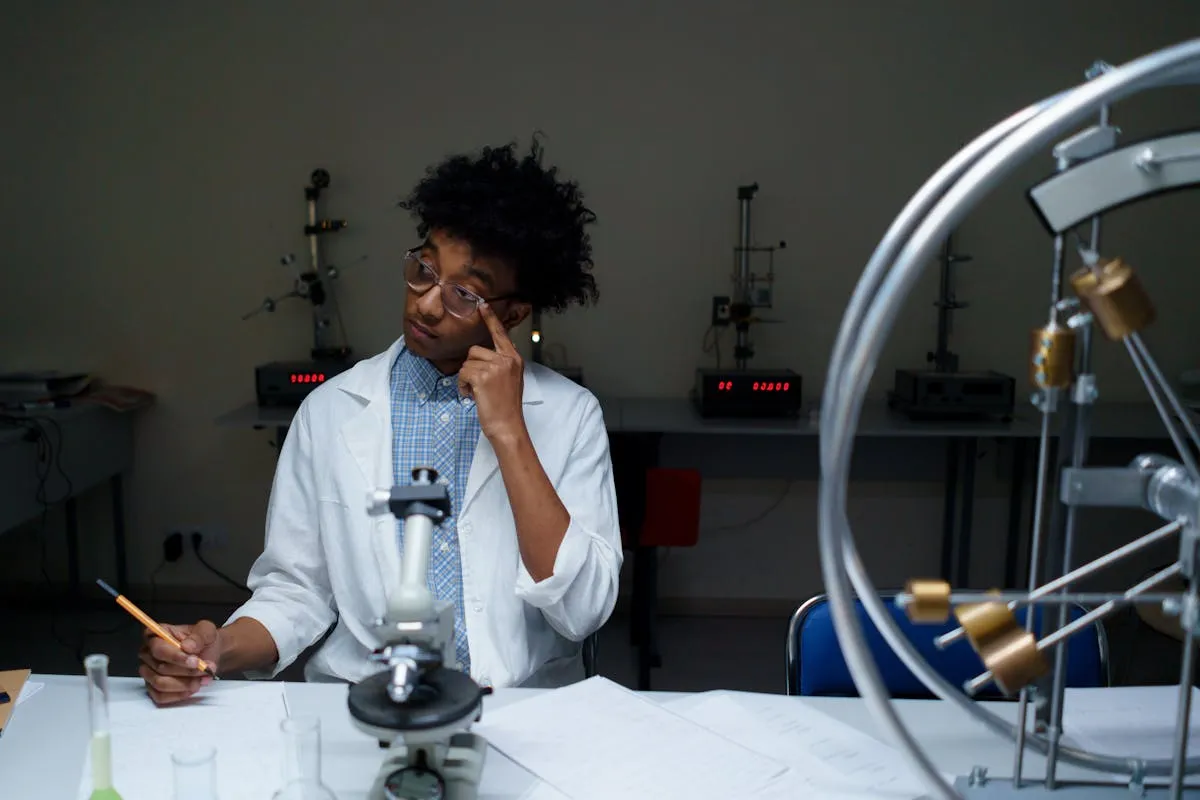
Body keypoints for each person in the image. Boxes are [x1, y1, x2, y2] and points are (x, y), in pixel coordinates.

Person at [139, 139, 623, 705]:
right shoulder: (330, 410)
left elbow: (584, 610)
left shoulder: (569, 416)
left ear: (512, 314)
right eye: (424, 269)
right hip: (366, 708)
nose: (426, 304)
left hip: (521, 712)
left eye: (465, 293)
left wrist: (510, 433)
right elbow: (298, 591)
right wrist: (217, 647)